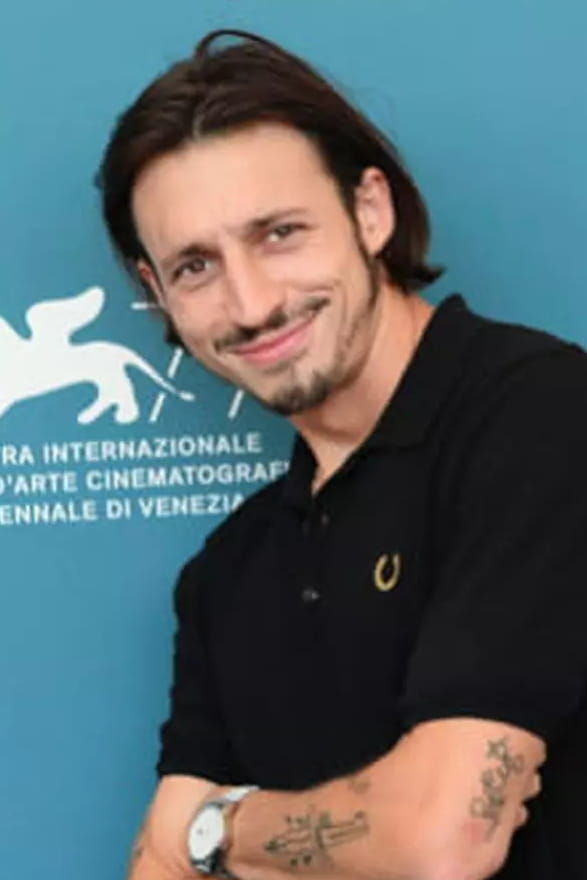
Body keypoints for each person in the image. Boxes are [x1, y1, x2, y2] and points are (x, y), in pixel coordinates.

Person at [97, 29, 587, 880]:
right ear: (157, 292)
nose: (251, 304)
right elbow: (157, 867)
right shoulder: (226, 571)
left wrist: (218, 827)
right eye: (196, 266)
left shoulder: (541, 414)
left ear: (370, 210)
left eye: (279, 233)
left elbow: (440, 841)